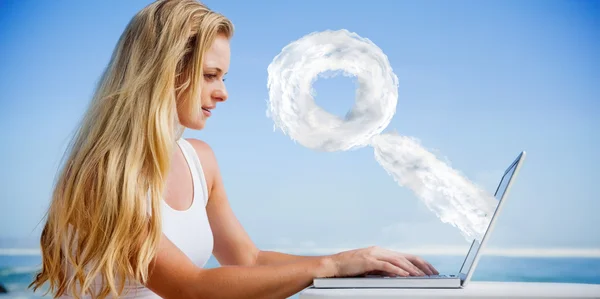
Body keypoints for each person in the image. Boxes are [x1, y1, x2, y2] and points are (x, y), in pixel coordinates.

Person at [29, 0, 438, 298]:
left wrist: (354, 263)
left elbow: (248, 260)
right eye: (210, 75)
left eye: (223, 76)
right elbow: (190, 288)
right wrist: (330, 266)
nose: (222, 93)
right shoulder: (103, 174)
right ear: (160, 74)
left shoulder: (200, 160)